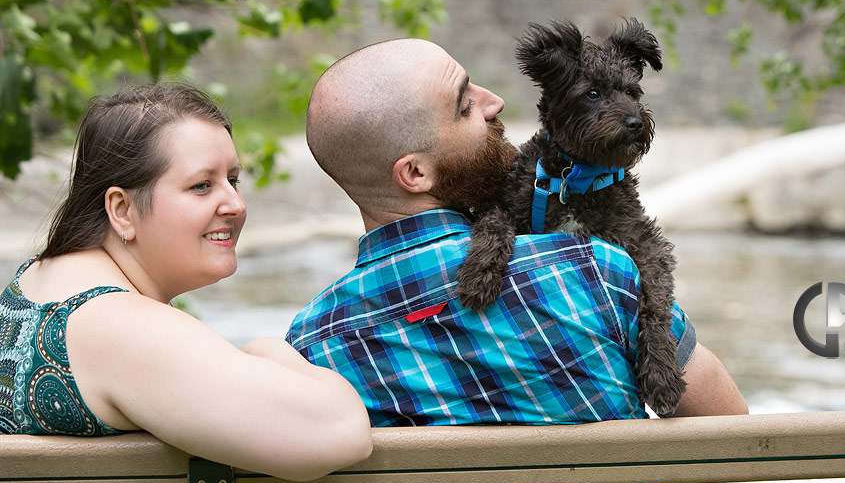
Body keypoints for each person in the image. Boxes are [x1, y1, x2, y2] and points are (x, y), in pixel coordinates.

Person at [288, 38, 747, 427]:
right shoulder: (600, 272)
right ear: (415, 173)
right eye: (465, 105)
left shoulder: (312, 346)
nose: (496, 102)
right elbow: (733, 444)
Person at [0, 84, 372, 482]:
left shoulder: (39, 281)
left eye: (233, 179)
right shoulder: (123, 328)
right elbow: (342, 432)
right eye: (201, 186)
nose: (236, 204)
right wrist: (266, 350)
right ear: (122, 210)